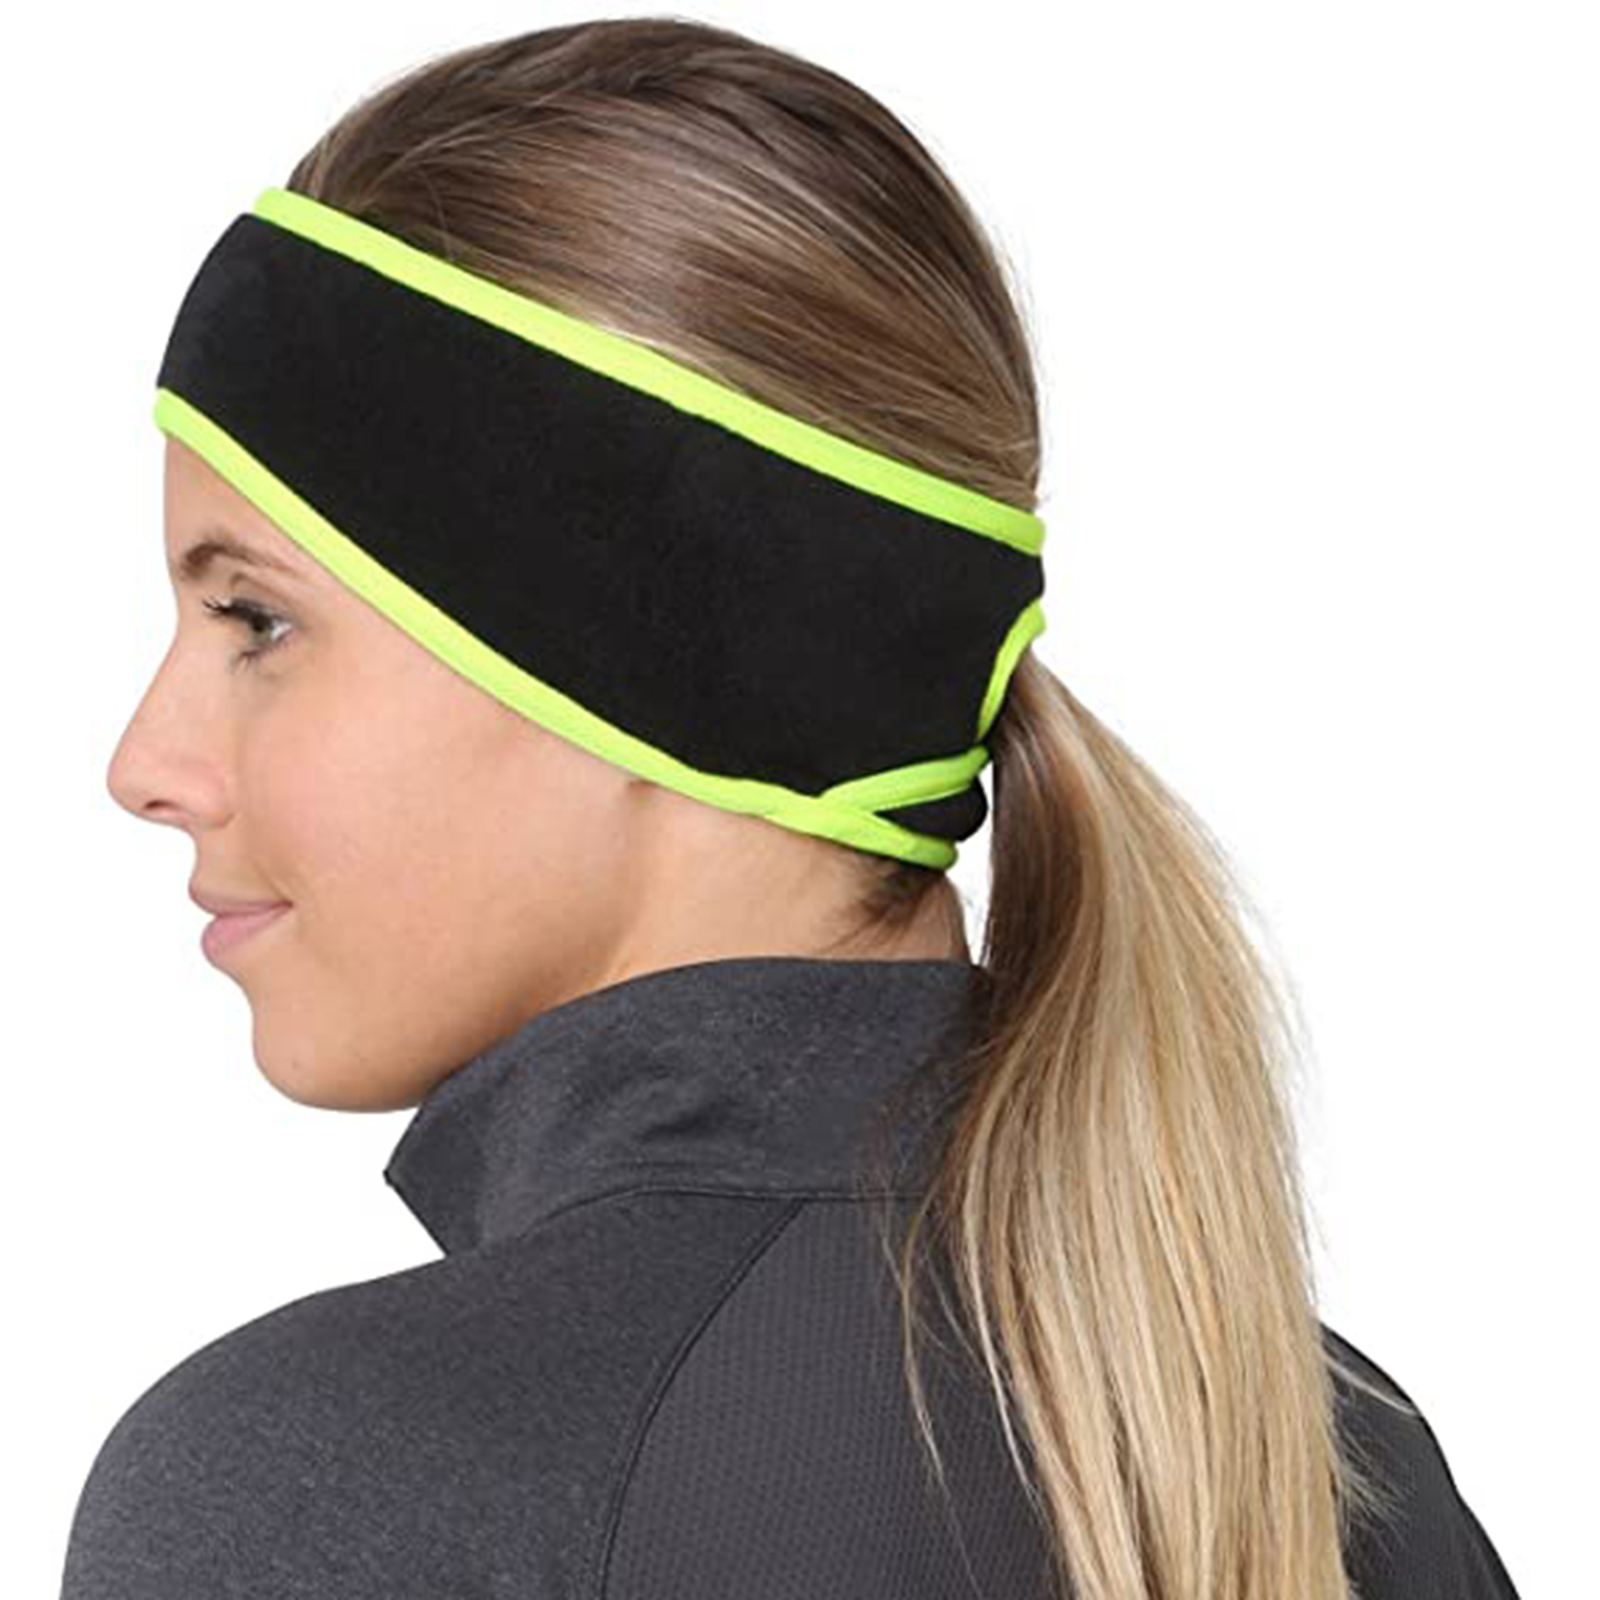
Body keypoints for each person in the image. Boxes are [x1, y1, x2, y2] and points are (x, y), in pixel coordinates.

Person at [62, 17, 1520, 1600]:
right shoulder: (1326, 1457)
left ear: (618, 655)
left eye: (257, 621)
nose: (147, 762)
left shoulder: (336, 1482)